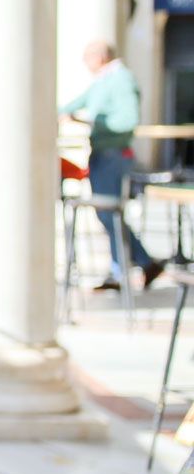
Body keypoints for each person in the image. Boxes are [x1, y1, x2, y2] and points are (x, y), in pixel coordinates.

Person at [62, 40, 164, 291]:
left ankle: (129, 267)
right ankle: (132, 265)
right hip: (102, 154)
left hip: (113, 155)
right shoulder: (103, 81)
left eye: (87, 58)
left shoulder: (120, 80)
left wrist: (96, 125)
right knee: (106, 214)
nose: (85, 64)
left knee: (109, 212)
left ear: (100, 57)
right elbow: (74, 104)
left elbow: (127, 120)